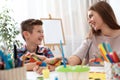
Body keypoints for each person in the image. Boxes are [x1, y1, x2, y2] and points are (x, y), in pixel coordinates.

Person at [68, 1, 120, 66]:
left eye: (91, 16)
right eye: (88, 18)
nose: (89, 21)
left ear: (103, 13)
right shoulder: (91, 38)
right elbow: (76, 57)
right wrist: (62, 61)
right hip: (94, 76)